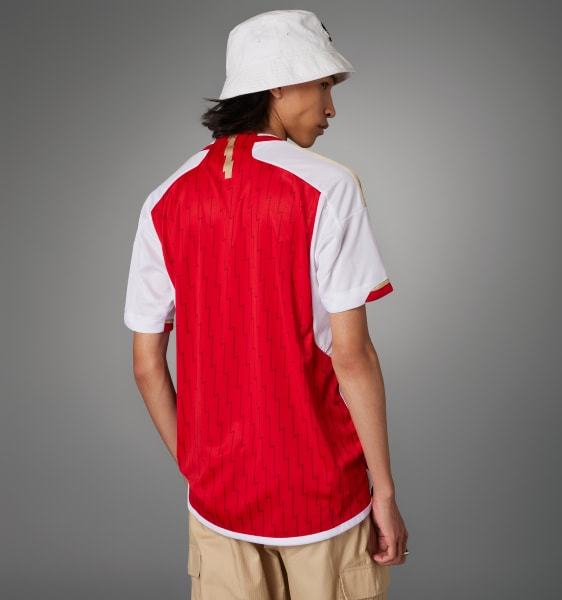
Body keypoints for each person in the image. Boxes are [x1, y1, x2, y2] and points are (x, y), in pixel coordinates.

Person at [123, 9, 408, 600]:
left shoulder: (164, 199)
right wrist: (383, 491)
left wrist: (200, 468)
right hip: (322, 494)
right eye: (324, 85)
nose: (331, 108)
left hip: (218, 502)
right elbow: (352, 356)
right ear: (278, 85)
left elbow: (147, 365)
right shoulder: (328, 186)